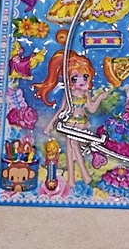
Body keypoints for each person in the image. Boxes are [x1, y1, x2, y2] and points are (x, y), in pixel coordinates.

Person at [33, 50, 108, 186]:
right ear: (68, 79)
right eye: (75, 78)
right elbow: (62, 109)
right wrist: (50, 124)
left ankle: (84, 175)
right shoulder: (69, 93)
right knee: (70, 148)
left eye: (85, 77)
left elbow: (91, 108)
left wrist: (100, 98)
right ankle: (72, 178)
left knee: (74, 145)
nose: (80, 81)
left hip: (81, 122)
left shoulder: (86, 93)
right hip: (69, 123)